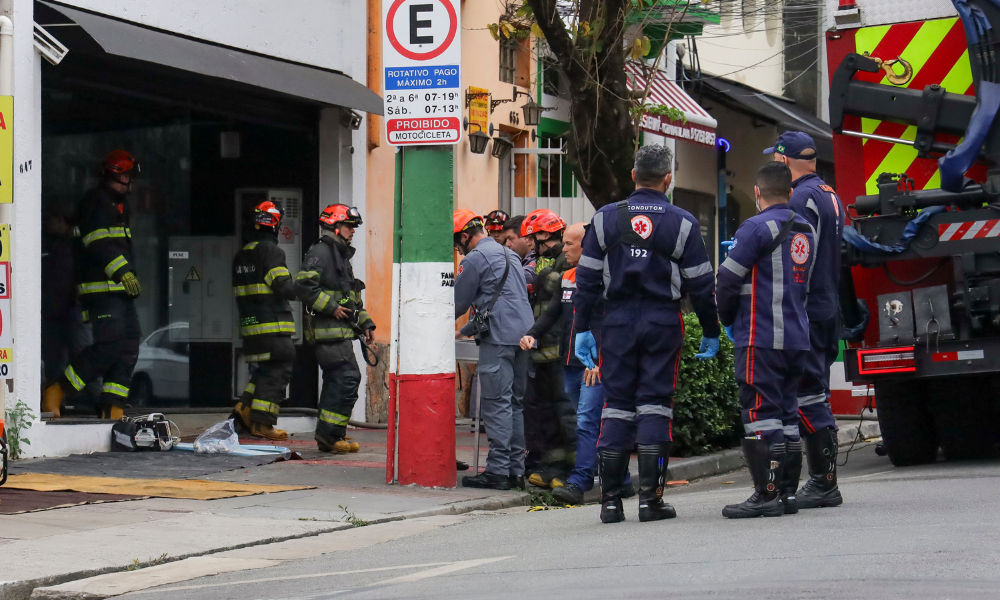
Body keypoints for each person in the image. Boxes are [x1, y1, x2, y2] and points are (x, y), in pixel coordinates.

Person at [574, 145, 721, 524]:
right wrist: (710, 329)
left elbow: (586, 281)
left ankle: (609, 503)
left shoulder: (604, 219)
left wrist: (582, 329)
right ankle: (650, 501)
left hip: (615, 323)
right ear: (668, 179)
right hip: (662, 321)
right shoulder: (684, 223)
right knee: (655, 405)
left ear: (634, 175)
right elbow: (702, 285)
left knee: (615, 405)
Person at [716, 161, 815, 519]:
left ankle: (766, 494)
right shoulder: (807, 228)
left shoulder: (754, 227)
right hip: (796, 337)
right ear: (790, 193)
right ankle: (787, 493)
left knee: (760, 414)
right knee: (787, 415)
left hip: (760, 336)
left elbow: (727, 279)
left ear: (757, 193)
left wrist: (726, 319)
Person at [521, 222, 635, 504]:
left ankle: (581, 480)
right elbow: (552, 313)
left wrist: (601, 359)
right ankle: (622, 480)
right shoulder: (568, 277)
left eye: (570, 243)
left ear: (589, 246)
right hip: (570, 361)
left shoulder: (609, 279)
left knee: (586, 420)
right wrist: (532, 335)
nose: (565, 248)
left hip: (595, 364)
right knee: (587, 421)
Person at [765, 132, 844, 511]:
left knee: (807, 395)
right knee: (816, 393)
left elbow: (796, 261)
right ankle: (821, 480)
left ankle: (823, 483)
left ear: (782, 161)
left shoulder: (798, 199)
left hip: (807, 308)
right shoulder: (830, 193)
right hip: (828, 305)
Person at [42, 150, 143, 420]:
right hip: (103, 290)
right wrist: (123, 272)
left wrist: (126, 277)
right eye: (128, 174)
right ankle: (57, 389)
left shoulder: (118, 204)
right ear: (117, 174)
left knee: (128, 346)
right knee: (108, 347)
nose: (130, 180)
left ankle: (113, 407)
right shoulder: (96, 202)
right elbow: (98, 243)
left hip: (120, 291)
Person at [453, 209, 534, 490]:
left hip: (498, 340)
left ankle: (498, 471)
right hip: (524, 337)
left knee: (496, 405)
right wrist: (466, 331)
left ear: (465, 236)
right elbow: (501, 302)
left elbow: (457, 303)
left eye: (457, 244)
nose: (458, 249)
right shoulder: (510, 255)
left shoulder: (474, 259)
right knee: (514, 404)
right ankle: (515, 471)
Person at [295, 204, 375, 453]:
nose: (353, 231)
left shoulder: (340, 255)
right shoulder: (321, 252)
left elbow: (349, 296)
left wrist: (365, 322)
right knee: (346, 378)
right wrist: (330, 308)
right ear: (335, 226)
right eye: (349, 226)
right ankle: (330, 435)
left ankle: (332, 434)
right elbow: (304, 286)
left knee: (340, 380)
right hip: (328, 333)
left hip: (340, 332)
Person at [231, 201, 299, 440]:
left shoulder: (242, 253)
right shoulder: (272, 251)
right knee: (278, 372)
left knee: (264, 370)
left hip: (252, 327)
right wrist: (302, 286)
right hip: (273, 326)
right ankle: (263, 424)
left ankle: (244, 410)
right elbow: (283, 287)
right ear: (276, 225)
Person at [521, 209, 577, 489]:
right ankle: (554, 469)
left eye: (533, 238)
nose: (531, 244)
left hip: (560, 352)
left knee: (565, 413)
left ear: (544, 235)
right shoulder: (546, 263)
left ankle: (577, 472)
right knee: (547, 415)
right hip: (544, 352)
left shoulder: (565, 263)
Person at [499, 215, 536, 294]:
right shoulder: (520, 260)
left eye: (511, 238)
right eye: (506, 240)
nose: (507, 244)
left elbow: (527, 275)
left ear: (525, 237)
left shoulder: (537, 258)